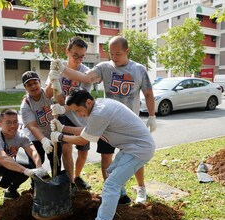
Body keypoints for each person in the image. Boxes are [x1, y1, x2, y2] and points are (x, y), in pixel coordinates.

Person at [50, 35, 156, 203]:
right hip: (106, 121)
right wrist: (62, 69)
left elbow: (149, 93)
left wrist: (151, 115)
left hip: (129, 123)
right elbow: (85, 78)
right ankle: (111, 190)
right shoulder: (104, 68)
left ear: (127, 51)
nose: (114, 58)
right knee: (106, 157)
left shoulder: (139, 69)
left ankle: (141, 187)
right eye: (111, 54)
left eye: (118, 54)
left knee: (135, 157)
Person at [50, 89, 155, 220]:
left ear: (88, 102)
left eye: (78, 110)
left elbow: (82, 140)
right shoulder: (100, 107)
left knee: (111, 184)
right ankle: (122, 198)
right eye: (75, 112)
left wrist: (60, 136)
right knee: (110, 171)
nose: (78, 115)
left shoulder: (100, 112)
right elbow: (87, 131)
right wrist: (62, 128)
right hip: (131, 147)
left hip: (139, 149)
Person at [0, 108, 47, 218]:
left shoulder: (20, 136)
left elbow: (33, 151)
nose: (13, 126)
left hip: (5, 166)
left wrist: (39, 167)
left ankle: (11, 190)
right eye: (9, 122)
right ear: (0, 124)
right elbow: (3, 159)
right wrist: (26, 171)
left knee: (29, 166)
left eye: (15, 122)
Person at [46, 36, 92, 189]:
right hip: (63, 115)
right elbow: (53, 98)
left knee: (83, 151)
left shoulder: (86, 73)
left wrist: (64, 106)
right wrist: (54, 82)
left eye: (81, 56)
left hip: (80, 116)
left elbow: (80, 103)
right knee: (66, 148)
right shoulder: (57, 68)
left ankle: (78, 176)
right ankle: (71, 182)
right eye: (75, 55)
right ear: (67, 51)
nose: (78, 60)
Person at [20, 71, 63, 178]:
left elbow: (50, 88)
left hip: (53, 133)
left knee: (55, 160)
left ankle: (57, 184)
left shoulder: (48, 93)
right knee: (37, 161)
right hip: (35, 137)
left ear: (40, 82)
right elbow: (32, 126)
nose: (33, 86)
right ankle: (35, 187)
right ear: (25, 87)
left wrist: (53, 78)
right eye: (29, 84)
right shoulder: (26, 105)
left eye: (35, 82)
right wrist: (43, 140)